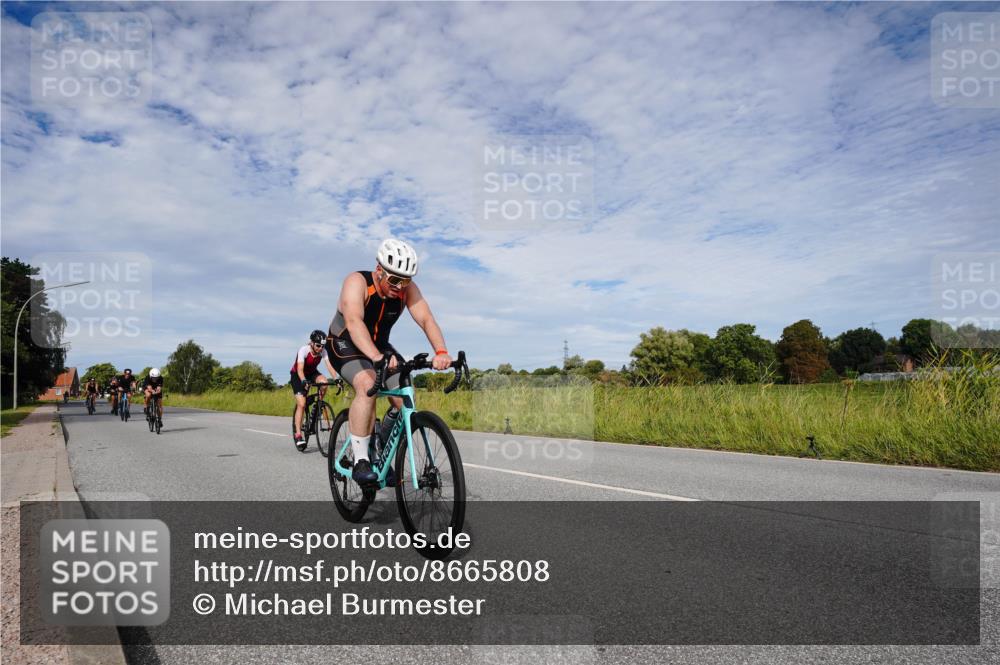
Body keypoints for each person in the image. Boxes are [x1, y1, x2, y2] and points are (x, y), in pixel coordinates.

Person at [327, 238, 452, 484]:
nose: (400, 286)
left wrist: (440, 352)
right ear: (379, 270)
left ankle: (381, 445)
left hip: (380, 346)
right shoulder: (357, 282)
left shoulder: (407, 290)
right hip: (345, 343)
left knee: (405, 395)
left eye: (405, 280)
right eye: (394, 279)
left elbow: (426, 319)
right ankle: (362, 460)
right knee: (367, 384)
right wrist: (374, 357)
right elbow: (353, 322)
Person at [290, 330, 339, 451]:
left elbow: (329, 366)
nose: (320, 348)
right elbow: (300, 369)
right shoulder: (304, 350)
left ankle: (318, 406)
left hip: (312, 373)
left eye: (322, 346)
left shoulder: (323, 351)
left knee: (324, 383)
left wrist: (337, 379)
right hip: (298, 375)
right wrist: (303, 381)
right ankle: (298, 435)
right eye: (318, 345)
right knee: (301, 404)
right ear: (312, 343)